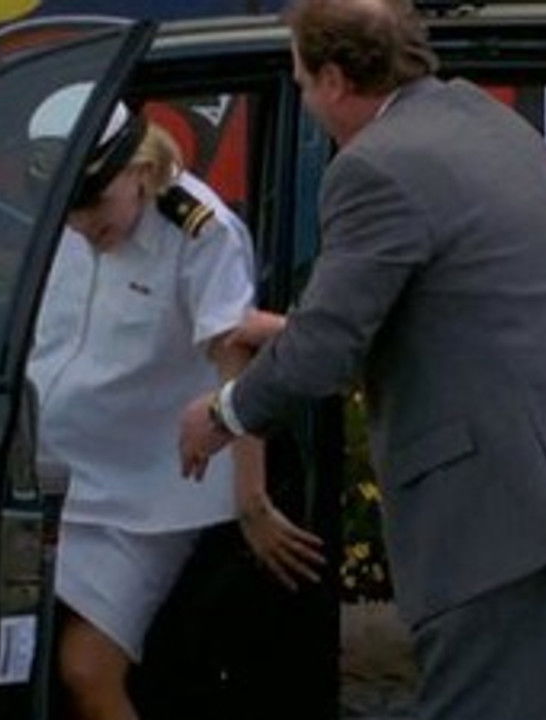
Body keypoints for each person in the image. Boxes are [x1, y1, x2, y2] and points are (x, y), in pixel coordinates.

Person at [177, 1, 546, 718]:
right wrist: (297, 331)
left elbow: (324, 355)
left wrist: (222, 413)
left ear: (333, 79)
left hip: (506, 514)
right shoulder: (485, 121)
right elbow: (461, 307)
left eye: (300, 80)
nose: (302, 95)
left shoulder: (374, 169)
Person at [26, 92, 323, 720]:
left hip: (140, 499)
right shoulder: (67, 220)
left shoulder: (198, 231)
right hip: (46, 479)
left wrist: (252, 502)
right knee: (15, 664)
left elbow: (234, 357)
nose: (83, 225)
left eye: (94, 205)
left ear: (138, 170)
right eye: (71, 211)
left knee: (86, 671)